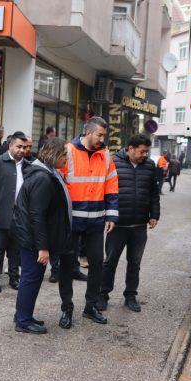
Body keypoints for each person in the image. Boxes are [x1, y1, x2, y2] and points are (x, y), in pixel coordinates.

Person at [57, 116, 118, 329]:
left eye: (104, 135)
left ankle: (90, 306)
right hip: (72, 221)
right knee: (67, 265)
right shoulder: (68, 151)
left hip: (96, 220)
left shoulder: (105, 154)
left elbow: (111, 185)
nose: (102, 139)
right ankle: (67, 307)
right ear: (88, 132)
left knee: (97, 264)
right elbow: (58, 183)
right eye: (99, 135)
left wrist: (111, 215)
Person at [12, 138, 72, 334]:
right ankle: (23, 321)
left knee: (32, 278)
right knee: (31, 278)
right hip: (33, 241)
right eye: (64, 154)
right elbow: (37, 216)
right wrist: (43, 247)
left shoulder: (46, 174)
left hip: (32, 239)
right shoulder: (43, 178)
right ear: (54, 154)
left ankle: (23, 315)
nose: (66, 158)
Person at [98, 134, 160, 313]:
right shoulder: (113, 162)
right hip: (117, 225)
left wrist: (154, 214)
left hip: (139, 225)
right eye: (142, 152)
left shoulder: (149, 165)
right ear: (131, 148)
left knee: (135, 262)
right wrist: (107, 216)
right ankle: (103, 295)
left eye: (147, 152)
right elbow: (104, 191)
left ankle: (130, 296)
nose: (145, 155)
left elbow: (153, 193)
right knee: (110, 262)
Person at [0, 131, 28, 293]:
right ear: (10, 146)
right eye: (19, 147)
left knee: (15, 250)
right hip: (1, 214)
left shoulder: (27, 165)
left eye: (24, 147)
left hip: (20, 216)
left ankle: (14, 278)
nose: (22, 150)